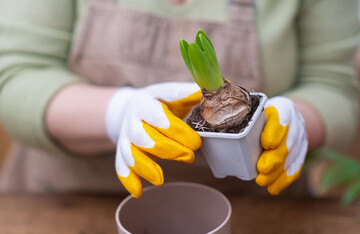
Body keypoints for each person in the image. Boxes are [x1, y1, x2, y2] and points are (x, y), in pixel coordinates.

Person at [0, 0, 358, 197]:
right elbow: (16, 74)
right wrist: (118, 113)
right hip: (65, 195)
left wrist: (297, 123)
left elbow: (334, 84)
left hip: (253, 205)